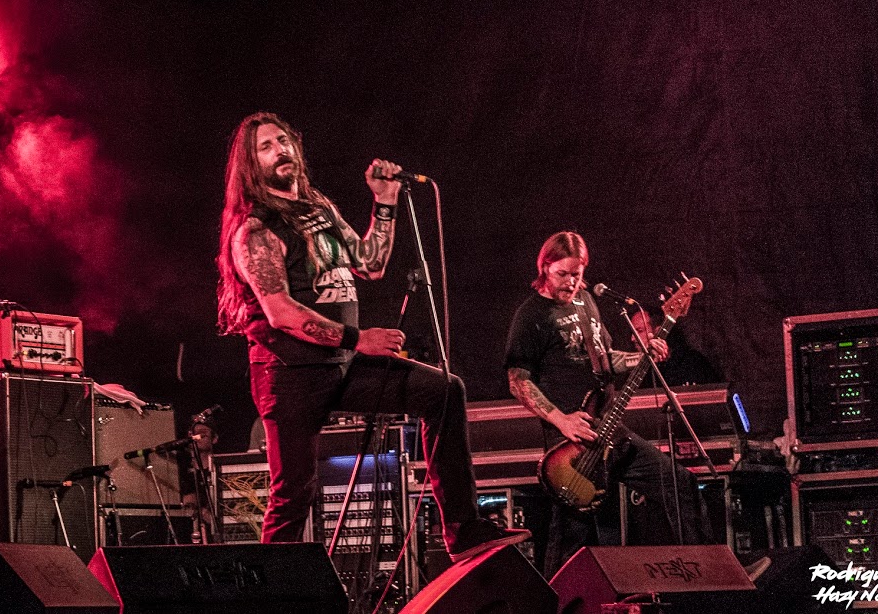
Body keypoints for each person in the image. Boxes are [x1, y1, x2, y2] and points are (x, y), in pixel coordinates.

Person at [215, 111, 527, 562]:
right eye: (266, 146)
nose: (280, 150)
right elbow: (280, 313)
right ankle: (276, 587)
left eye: (283, 141)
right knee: (293, 494)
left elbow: (371, 263)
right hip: (290, 377)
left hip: (340, 366)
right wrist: (358, 339)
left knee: (444, 389)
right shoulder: (256, 229)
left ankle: (463, 530)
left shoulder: (318, 207)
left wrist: (385, 200)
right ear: (250, 164)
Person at [503, 231, 710, 574]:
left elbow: (605, 358)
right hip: (572, 443)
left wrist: (641, 356)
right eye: (562, 274)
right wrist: (561, 420)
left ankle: (706, 575)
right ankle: (560, 598)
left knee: (680, 484)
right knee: (571, 538)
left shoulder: (586, 301)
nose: (570, 283)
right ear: (545, 267)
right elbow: (518, 381)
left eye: (577, 274)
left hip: (610, 429)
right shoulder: (531, 315)